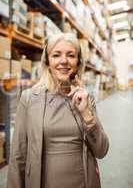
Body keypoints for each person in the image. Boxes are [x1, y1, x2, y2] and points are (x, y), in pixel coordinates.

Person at [7, 33, 109, 188]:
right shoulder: (29, 98)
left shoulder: (85, 98)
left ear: (78, 62)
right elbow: (18, 156)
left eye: (71, 55)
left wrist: (87, 115)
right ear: (48, 62)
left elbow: (101, 151)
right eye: (56, 55)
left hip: (83, 182)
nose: (64, 61)